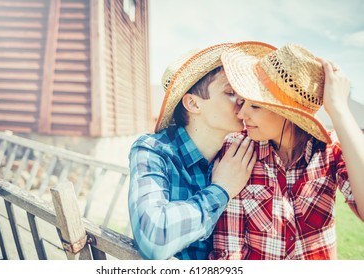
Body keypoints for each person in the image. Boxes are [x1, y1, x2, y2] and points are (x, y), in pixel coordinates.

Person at [210, 43, 364, 260]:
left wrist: (339, 108)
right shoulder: (237, 151)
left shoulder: (330, 150)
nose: (241, 113)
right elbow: (229, 251)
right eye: (243, 101)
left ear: (287, 113)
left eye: (255, 106)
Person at [128, 42, 276, 260]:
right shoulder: (154, 150)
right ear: (193, 104)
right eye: (230, 92)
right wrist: (222, 189)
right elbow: (154, 238)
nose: (243, 100)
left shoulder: (239, 153)